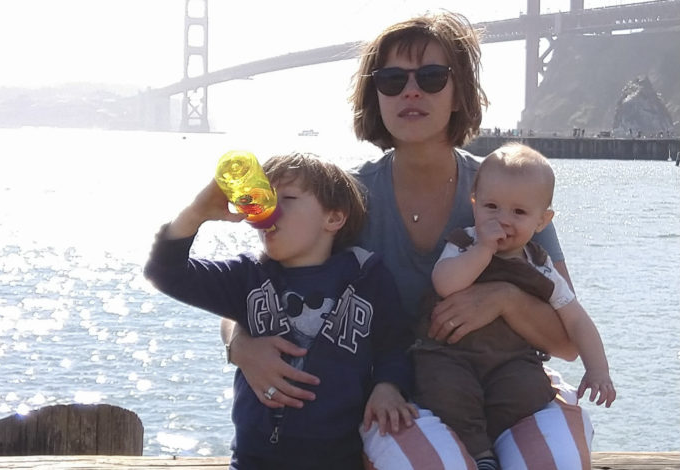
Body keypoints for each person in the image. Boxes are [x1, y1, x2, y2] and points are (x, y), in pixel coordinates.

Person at [223, 11, 594, 470]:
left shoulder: (511, 193)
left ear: (460, 92)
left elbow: (567, 343)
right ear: (374, 94)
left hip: (512, 388)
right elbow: (255, 284)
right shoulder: (345, 198)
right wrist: (241, 345)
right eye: (392, 79)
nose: (411, 91)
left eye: (433, 77)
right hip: (393, 398)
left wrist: (502, 300)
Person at [145, 152, 417, 470]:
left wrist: (388, 386)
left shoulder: (367, 276)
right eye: (264, 198)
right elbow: (165, 273)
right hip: (253, 460)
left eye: (286, 198)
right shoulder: (246, 276)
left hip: (338, 459)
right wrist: (196, 213)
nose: (270, 211)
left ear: (333, 218)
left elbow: (394, 345)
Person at [413, 143, 616, 469]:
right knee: (446, 392)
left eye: (519, 212)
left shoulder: (541, 265)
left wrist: (598, 370)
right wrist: (483, 251)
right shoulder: (464, 242)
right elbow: (445, 283)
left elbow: (576, 319)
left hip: (511, 362)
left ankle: (505, 443)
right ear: (474, 204)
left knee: (528, 392)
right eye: (492, 207)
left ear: (542, 220)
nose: (503, 220)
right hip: (449, 355)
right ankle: (480, 454)